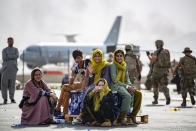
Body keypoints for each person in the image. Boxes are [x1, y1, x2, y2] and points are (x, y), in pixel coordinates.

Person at [74, 49, 111, 123]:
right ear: (93, 57)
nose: (97, 58)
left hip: (103, 84)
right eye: (95, 56)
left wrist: (98, 86)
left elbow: (105, 79)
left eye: (99, 56)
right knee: (87, 90)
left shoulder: (106, 65)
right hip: (93, 85)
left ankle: (81, 114)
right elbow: (87, 79)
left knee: (89, 91)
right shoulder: (91, 65)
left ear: (102, 57)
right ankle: (87, 116)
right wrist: (91, 74)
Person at [110, 49, 142, 125]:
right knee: (127, 96)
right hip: (116, 85)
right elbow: (115, 80)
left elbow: (127, 79)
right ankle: (122, 118)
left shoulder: (124, 65)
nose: (119, 58)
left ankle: (133, 115)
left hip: (124, 85)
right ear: (115, 57)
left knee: (138, 93)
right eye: (117, 56)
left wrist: (130, 86)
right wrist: (127, 86)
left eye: (121, 56)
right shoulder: (113, 65)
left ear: (123, 57)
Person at [55, 49, 86, 117]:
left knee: (64, 87)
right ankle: (65, 115)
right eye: (75, 58)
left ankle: (57, 107)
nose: (76, 60)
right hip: (78, 85)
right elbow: (70, 82)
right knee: (66, 94)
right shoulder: (75, 66)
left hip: (85, 86)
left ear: (82, 57)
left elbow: (87, 79)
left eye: (78, 58)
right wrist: (72, 71)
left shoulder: (86, 64)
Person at [147, 40, 171, 105]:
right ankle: (167, 97)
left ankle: (155, 100)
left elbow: (153, 60)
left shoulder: (156, 51)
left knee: (155, 86)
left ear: (157, 44)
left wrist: (148, 55)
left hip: (157, 71)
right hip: (165, 71)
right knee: (164, 86)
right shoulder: (167, 51)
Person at [1, 37, 19, 104]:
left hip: (13, 69)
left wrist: (9, 56)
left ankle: (12, 98)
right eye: (9, 41)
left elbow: (17, 56)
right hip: (6, 69)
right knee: (4, 84)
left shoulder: (16, 49)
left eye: (11, 41)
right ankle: (5, 99)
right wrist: (12, 57)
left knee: (12, 84)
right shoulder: (4, 50)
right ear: (7, 42)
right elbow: (4, 58)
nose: (10, 42)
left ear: (13, 42)